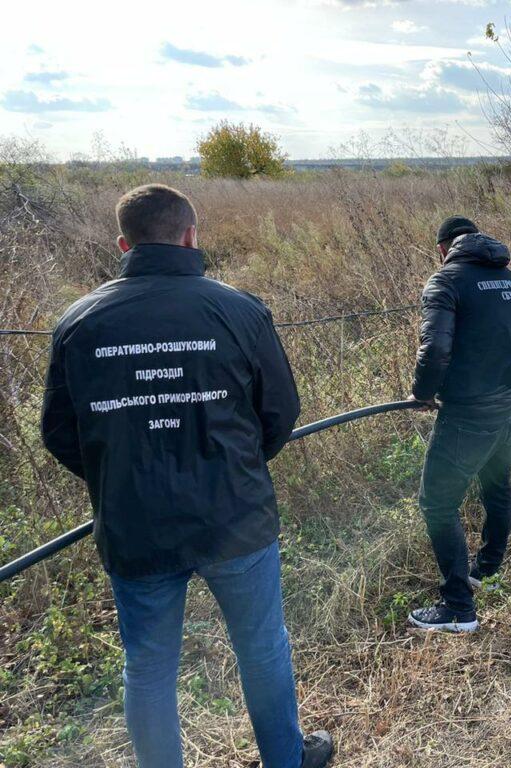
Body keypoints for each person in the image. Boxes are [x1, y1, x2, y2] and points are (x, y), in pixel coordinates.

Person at [40, 184, 333, 768]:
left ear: (124, 243)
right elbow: (281, 413)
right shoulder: (240, 309)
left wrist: (118, 480)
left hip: (135, 525)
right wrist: (234, 467)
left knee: (147, 666)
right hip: (235, 517)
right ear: (191, 236)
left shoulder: (78, 322)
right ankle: (287, 759)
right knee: (262, 650)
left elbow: (59, 434)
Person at [407, 216, 511, 633]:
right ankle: (487, 569)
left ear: (444, 248)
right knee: (496, 485)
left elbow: (436, 347)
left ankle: (459, 608)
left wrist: (423, 392)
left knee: (437, 504)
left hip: (470, 415)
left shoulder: (445, 282)